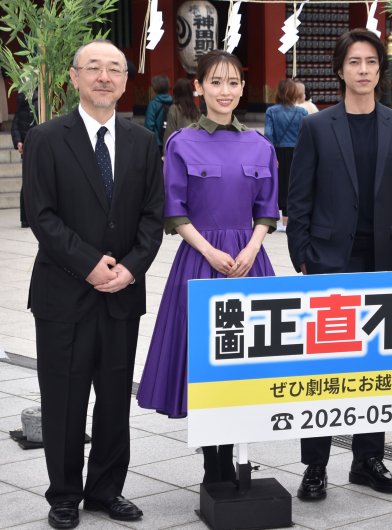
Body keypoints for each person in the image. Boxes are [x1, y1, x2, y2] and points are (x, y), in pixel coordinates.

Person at [23, 40, 164, 528]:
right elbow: (40, 214)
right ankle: (64, 494)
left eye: (114, 70)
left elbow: (152, 216)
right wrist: (88, 264)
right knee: (63, 398)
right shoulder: (45, 138)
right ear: (74, 77)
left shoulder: (143, 141)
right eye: (94, 68)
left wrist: (131, 268)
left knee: (113, 399)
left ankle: (106, 490)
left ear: (125, 81)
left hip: (122, 293)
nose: (104, 77)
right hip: (63, 293)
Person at [286, 28, 392, 500]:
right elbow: (299, 197)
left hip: (382, 261)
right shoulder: (317, 126)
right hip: (328, 261)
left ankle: (368, 460)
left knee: (375, 366)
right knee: (323, 369)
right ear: (340, 70)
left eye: (370, 62)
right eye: (354, 62)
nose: (363, 70)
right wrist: (302, 256)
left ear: (380, 70)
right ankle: (315, 465)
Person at [137, 50, 279, 484]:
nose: (225, 91)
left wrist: (252, 247)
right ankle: (212, 466)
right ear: (199, 87)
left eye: (233, 82)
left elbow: (267, 211)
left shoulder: (261, 145)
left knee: (246, 361)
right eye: (216, 82)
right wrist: (209, 251)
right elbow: (175, 211)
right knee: (203, 362)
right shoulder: (181, 143)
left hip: (249, 262)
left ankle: (237, 456)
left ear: (243, 88)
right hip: (200, 263)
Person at [264, 79, 307, 229]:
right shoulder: (302, 112)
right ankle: (290, 217)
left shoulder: (271, 111)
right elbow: (305, 135)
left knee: (279, 183)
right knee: (294, 183)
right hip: (297, 151)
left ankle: (280, 217)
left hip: (278, 151)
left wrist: (272, 155)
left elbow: (268, 134)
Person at [11, 89, 38, 228]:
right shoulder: (39, 104)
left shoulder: (23, 107)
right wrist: (18, 142)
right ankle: (30, 218)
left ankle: (25, 219)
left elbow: (14, 127)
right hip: (35, 148)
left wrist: (18, 142)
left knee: (27, 183)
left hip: (28, 148)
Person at [162, 77, 200, 152]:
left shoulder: (174, 109)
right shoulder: (196, 110)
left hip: (179, 149)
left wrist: (166, 152)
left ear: (176, 92)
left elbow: (170, 132)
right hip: (194, 149)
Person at [144, 74, 173, 153]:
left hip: (157, 142)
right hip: (171, 140)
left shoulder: (153, 104)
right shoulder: (173, 102)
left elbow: (149, 125)